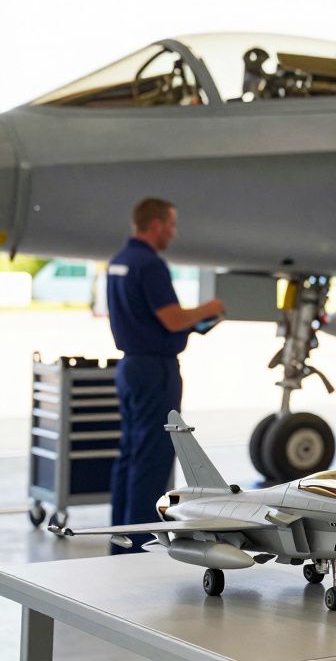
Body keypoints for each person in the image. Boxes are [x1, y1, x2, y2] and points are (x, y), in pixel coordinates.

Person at [106, 198, 224, 553]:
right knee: (153, 460)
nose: (173, 233)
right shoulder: (149, 264)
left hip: (129, 367)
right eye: (171, 225)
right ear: (155, 225)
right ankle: (140, 547)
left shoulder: (118, 263)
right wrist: (211, 308)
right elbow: (172, 319)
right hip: (156, 369)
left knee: (129, 455)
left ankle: (119, 541)